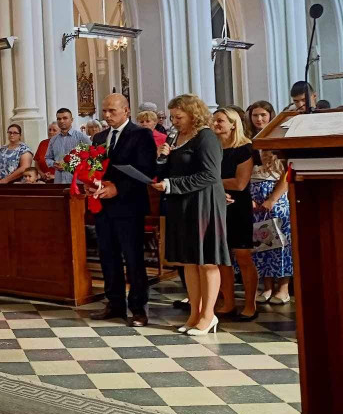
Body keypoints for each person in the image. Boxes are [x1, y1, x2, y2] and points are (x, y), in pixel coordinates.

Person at [152, 94, 229, 335]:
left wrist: (171, 186)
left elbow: (210, 175)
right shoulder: (177, 136)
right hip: (182, 204)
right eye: (172, 116)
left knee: (206, 261)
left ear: (193, 114)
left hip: (203, 203)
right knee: (189, 262)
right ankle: (194, 314)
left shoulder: (206, 136)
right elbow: (171, 170)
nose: (174, 121)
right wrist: (163, 157)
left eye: (179, 117)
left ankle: (209, 316)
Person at [88, 94, 157, 327]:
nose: (107, 116)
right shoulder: (98, 137)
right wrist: (91, 183)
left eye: (112, 111)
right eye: (104, 111)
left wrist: (117, 188)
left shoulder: (141, 135)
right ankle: (114, 303)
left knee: (134, 258)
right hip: (103, 207)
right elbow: (95, 168)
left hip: (129, 206)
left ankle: (138, 308)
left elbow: (145, 170)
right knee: (107, 256)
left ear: (126, 111)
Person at [212, 107, 259, 320]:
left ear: (233, 124)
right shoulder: (212, 148)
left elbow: (240, 183)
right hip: (216, 204)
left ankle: (250, 304)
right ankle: (228, 302)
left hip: (238, 206)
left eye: (220, 121)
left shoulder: (245, 148)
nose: (216, 125)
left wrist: (211, 183)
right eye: (214, 121)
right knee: (222, 258)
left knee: (242, 255)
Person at [250, 148, 293, 305]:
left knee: (281, 244)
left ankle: (283, 288)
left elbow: (288, 172)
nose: (259, 120)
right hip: (255, 199)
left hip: (276, 197)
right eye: (256, 119)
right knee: (262, 244)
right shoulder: (249, 141)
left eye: (263, 119)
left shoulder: (278, 143)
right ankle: (267, 287)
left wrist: (273, 199)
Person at [47, 108, 91, 183]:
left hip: (77, 180)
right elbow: (48, 158)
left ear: (71, 120)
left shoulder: (81, 137)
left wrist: (70, 165)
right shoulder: (53, 140)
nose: (61, 121)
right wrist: (54, 164)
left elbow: (90, 158)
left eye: (65, 118)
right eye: (59, 119)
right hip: (59, 180)